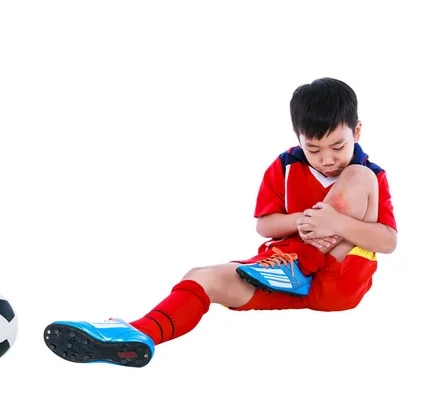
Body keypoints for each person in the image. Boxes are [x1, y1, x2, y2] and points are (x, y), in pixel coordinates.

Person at [43, 77, 398, 368]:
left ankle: (302, 263)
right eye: (314, 149)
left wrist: (334, 221)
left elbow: (387, 241)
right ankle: (137, 334)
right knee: (200, 275)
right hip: (281, 275)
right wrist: (305, 221)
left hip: (337, 279)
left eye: (338, 145)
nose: (327, 159)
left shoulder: (369, 175)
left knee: (357, 176)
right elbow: (266, 225)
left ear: (358, 131)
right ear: (299, 140)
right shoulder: (286, 166)